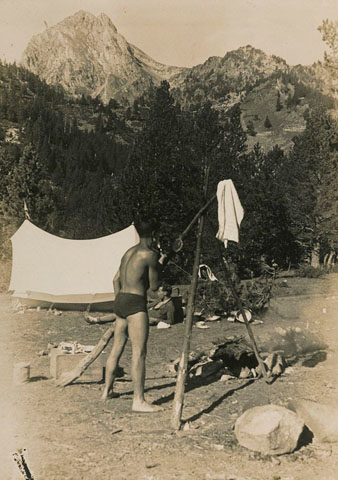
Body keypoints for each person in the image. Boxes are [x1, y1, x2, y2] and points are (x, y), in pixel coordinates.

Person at [101, 217, 165, 412]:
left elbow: (115, 280)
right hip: (136, 303)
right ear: (154, 234)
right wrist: (162, 263)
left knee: (117, 348)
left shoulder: (128, 252)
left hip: (120, 300)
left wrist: (119, 300)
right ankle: (138, 401)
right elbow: (154, 287)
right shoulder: (150, 255)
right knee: (139, 352)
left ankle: (106, 391)